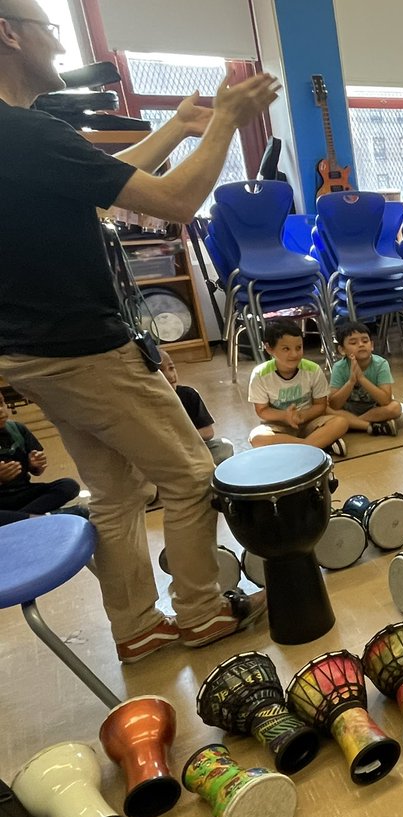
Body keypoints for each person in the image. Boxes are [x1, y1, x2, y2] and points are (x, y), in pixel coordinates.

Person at [0, 2, 277, 662]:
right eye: (49, 29)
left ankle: (136, 627)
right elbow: (178, 202)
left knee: (116, 491)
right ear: (9, 33)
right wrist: (228, 125)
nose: (59, 44)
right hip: (86, 351)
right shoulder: (27, 135)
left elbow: (98, 189)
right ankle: (202, 612)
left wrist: (182, 129)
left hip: (36, 353)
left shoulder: (22, 136)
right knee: (188, 476)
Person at [247, 320, 350, 456]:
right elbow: (262, 410)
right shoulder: (260, 374)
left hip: (310, 423)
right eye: (286, 349)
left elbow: (321, 405)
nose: (294, 354)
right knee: (257, 438)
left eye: (298, 347)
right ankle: (319, 445)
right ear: (269, 348)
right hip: (279, 426)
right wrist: (285, 416)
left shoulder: (313, 370)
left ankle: (299, 448)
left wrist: (302, 416)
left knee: (341, 422)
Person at [0, 399, 82, 516]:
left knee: (69, 485)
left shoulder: (17, 429)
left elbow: (36, 471)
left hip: (25, 493)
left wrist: (35, 465)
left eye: (1, 403)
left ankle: (19, 518)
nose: (0, 410)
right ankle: (29, 517)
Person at [328, 320, 403, 435]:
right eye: (353, 343)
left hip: (374, 409)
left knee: (395, 407)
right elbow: (334, 404)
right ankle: (369, 426)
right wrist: (351, 381)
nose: (361, 345)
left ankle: (353, 424)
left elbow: (385, 400)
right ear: (342, 350)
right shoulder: (339, 367)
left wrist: (362, 379)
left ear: (372, 345)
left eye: (365, 341)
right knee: (325, 409)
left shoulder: (381, 363)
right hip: (347, 410)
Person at [159, 350, 234, 465]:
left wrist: (179, 440)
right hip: (166, 459)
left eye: (171, 368)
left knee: (224, 447)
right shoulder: (144, 404)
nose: (170, 375)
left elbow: (208, 432)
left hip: (193, 452)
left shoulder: (188, 394)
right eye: (160, 372)